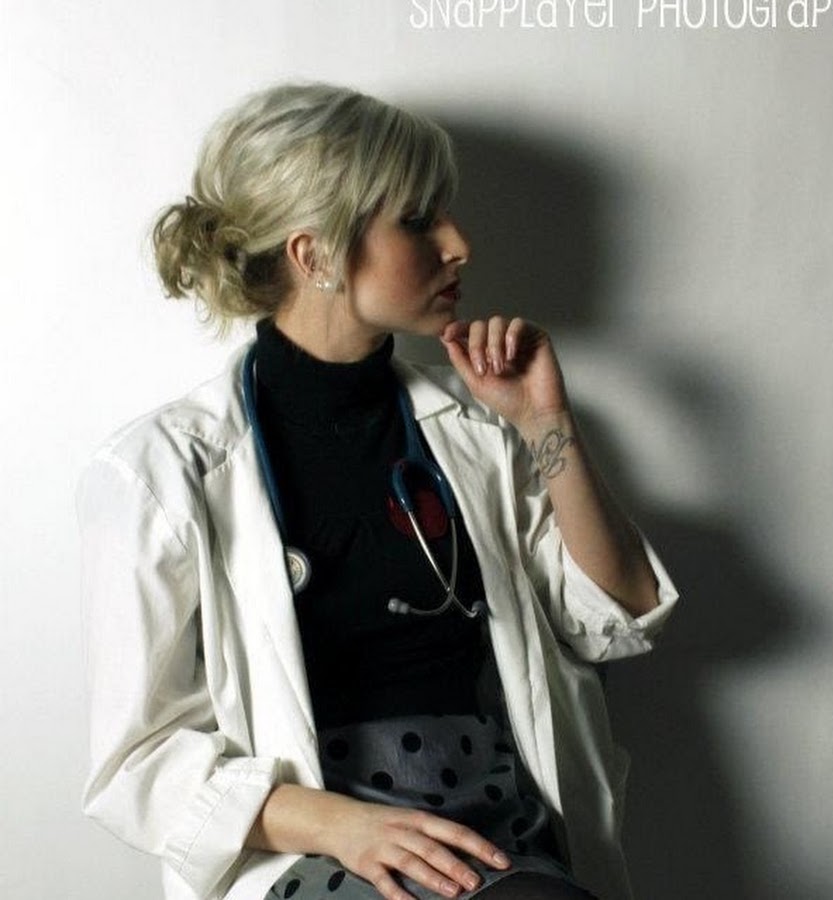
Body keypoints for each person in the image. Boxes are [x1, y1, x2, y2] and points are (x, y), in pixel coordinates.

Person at [77, 83, 678, 900]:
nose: (459, 244)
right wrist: (340, 826)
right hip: (316, 849)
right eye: (420, 220)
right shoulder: (160, 471)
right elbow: (135, 763)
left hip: (497, 829)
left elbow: (618, 617)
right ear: (315, 254)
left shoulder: (475, 424)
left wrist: (546, 422)